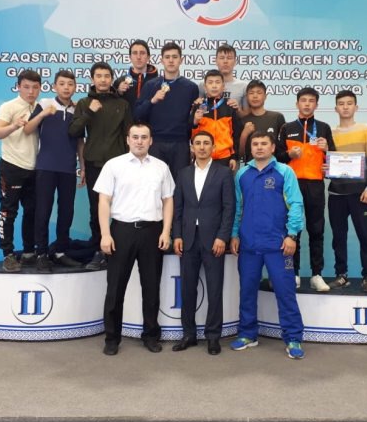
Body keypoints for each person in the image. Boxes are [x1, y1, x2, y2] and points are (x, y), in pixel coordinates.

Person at [94, 123, 175, 356]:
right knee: (115, 288)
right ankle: (112, 338)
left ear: (151, 141)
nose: (140, 141)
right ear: (128, 140)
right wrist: (105, 234)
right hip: (122, 231)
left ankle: (150, 335)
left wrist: (166, 231)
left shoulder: (161, 167)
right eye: (135, 137)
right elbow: (104, 201)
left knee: (151, 287)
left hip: (152, 232)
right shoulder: (114, 165)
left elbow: (168, 200)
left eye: (144, 137)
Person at [230, 132, 306, 359]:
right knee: (247, 291)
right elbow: (238, 207)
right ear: (250, 148)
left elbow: (296, 204)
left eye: (264, 143)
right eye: (255, 144)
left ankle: (293, 338)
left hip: (278, 245)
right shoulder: (242, 174)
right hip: (249, 244)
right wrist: (234, 234)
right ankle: (247, 334)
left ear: (273, 148)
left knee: (285, 292)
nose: (259, 147)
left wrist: (292, 235)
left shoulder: (285, 171)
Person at [172, 131, 235, 355]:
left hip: (214, 240)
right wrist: (177, 235)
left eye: (206, 143)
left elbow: (229, 208)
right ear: (191, 147)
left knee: (214, 289)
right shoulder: (183, 173)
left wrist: (222, 237)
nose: (201, 147)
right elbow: (177, 208)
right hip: (188, 239)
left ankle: (213, 337)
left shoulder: (224, 173)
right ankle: (188, 334)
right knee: (187, 289)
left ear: (213, 147)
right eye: (197, 143)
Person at [69, 62, 132, 270]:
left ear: (111, 78)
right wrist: (89, 112)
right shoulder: (84, 103)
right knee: (96, 209)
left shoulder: (122, 104)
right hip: (94, 164)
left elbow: (129, 134)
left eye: (106, 76)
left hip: (119, 165)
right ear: (92, 79)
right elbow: (74, 131)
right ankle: (99, 249)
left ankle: (119, 248)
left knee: (121, 208)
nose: (103, 79)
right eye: (99, 76)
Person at [23, 70, 85, 272]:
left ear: (75, 87)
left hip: (68, 168)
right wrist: (42, 114)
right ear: (54, 86)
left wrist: (83, 166)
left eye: (70, 84)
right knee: (43, 211)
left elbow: (80, 141)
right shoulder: (44, 104)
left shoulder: (78, 109)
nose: (66, 87)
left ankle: (60, 252)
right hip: (46, 167)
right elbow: (27, 129)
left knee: (66, 212)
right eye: (62, 84)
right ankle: (41, 253)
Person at [277, 87, 335, 291]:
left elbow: (334, 159)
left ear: (316, 105)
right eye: (304, 100)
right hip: (292, 186)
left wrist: (328, 150)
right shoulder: (287, 128)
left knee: (316, 230)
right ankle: (294, 273)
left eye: (311, 101)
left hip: (315, 184)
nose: (307, 104)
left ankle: (317, 274)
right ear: (297, 104)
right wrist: (289, 155)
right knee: (293, 231)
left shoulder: (324, 128)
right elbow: (277, 157)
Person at [328, 90, 367, 293]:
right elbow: (329, 163)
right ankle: (341, 275)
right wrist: (325, 169)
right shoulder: (329, 133)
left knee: (365, 236)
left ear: (356, 107)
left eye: (349, 103)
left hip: (361, 194)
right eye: (341, 103)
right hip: (336, 194)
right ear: (336, 108)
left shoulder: (366, 129)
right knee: (338, 237)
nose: (345, 107)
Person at [0, 69, 41, 272]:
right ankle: (8, 254)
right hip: (11, 166)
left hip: (34, 168)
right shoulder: (8, 106)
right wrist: (14, 126)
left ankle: (29, 252)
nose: (31, 91)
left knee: (32, 211)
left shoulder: (39, 107)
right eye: (26, 87)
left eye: (35, 87)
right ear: (18, 87)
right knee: (8, 211)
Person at [134, 42, 199, 180]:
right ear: (161, 60)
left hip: (181, 143)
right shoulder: (151, 85)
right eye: (167, 57)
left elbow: (193, 119)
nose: (171, 60)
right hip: (156, 142)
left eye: (175, 57)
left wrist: (192, 143)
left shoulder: (191, 87)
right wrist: (152, 101)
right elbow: (138, 114)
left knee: (180, 184)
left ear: (181, 60)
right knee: (155, 183)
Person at [191, 69, 243, 170]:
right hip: (202, 156)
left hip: (225, 157)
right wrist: (195, 121)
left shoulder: (230, 106)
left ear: (223, 86)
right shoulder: (198, 105)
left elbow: (236, 134)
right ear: (205, 87)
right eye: (210, 82)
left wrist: (234, 157)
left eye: (217, 82)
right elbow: (191, 131)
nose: (214, 86)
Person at [238, 79, 286, 163]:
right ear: (247, 97)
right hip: (251, 166)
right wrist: (244, 134)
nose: (255, 96)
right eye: (251, 93)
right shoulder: (242, 121)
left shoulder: (277, 117)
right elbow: (240, 153)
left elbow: (284, 147)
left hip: (274, 166)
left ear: (265, 96)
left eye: (259, 93)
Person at [199, 44, 248, 117]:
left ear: (235, 61)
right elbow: (197, 112)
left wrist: (238, 109)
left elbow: (246, 115)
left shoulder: (243, 86)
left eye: (229, 58)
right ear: (216, 61)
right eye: (222, 58)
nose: (225, 61)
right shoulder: (203, 85)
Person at [112, 39, 159, 108]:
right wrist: (119, 92)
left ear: (148, 57)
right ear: (130, 57)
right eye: (135, 53)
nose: (138, 57)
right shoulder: (119, 82)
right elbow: (112, 106)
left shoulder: (158, 82)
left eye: (142, 53)